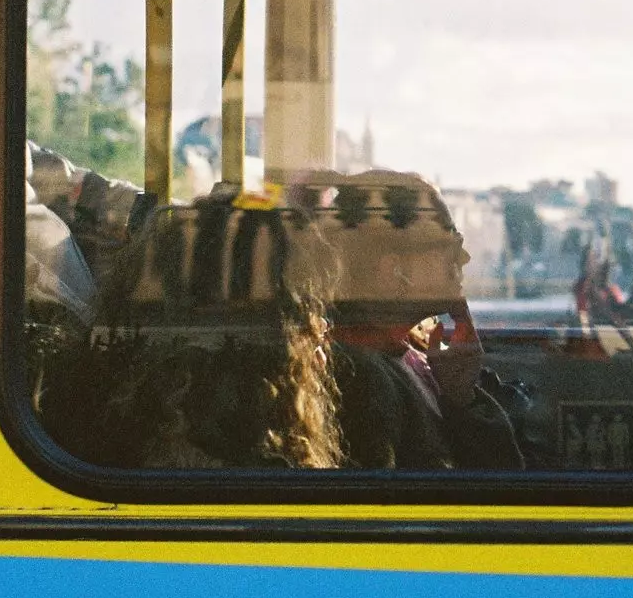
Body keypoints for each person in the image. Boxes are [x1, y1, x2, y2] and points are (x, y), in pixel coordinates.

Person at [34, 170, 522, 471]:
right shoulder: (346, 393)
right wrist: (465, 405)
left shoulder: (97, 406)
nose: (463, 255)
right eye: (444, 244)